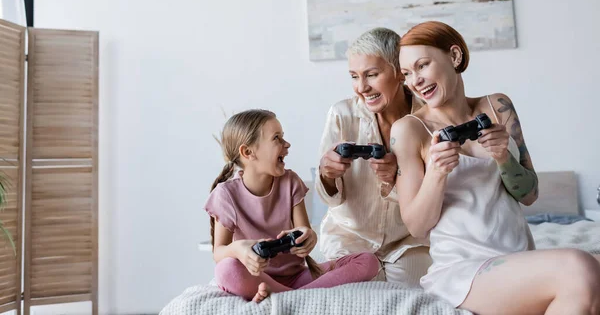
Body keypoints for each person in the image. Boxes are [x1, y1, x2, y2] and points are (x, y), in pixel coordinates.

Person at [391, 20, 600, 314]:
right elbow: (417, 225)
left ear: (454, 56)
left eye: (422, 66)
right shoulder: (409, 130)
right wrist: (437, 173)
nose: (416, 81)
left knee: (589, 280)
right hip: (465, 271)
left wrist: (503, 157)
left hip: (520, 262)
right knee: (579, 265)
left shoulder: (498, 106)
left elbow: (529, 194)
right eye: (407, 74)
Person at [204, 109, 379, 303]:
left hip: (297, 278)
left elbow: (304, 230)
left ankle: (287, 297)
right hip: (256, 278)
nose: (286, 144)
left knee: (368, 261)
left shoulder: (290, 182)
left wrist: (308, 238)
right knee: (225, 269)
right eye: (276, 138)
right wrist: (238, 249)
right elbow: (219, 252)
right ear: (248, 152)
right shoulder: (226, 194)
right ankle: (298, 296)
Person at [316, 27, 431, 287]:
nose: (361, 87)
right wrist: (326, 174)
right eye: (354, 76)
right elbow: (327, 198)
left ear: (399, 73)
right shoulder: (341, 114)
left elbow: (435, 199)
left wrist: (396, 179)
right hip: (348, 237)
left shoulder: (428, 119)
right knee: (354, 290)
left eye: (372, 75)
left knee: (413, 291)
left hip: (409, 242)